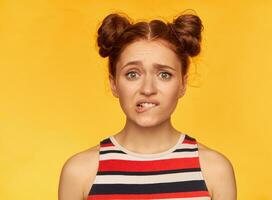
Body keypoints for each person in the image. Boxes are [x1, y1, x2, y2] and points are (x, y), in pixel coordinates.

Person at [58, 11, 237, 200]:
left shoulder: (215, 171)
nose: (148, 89)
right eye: (133, 74)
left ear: (183, 84)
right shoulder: (80, 173)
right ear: (113, 83)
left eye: (164, 74)